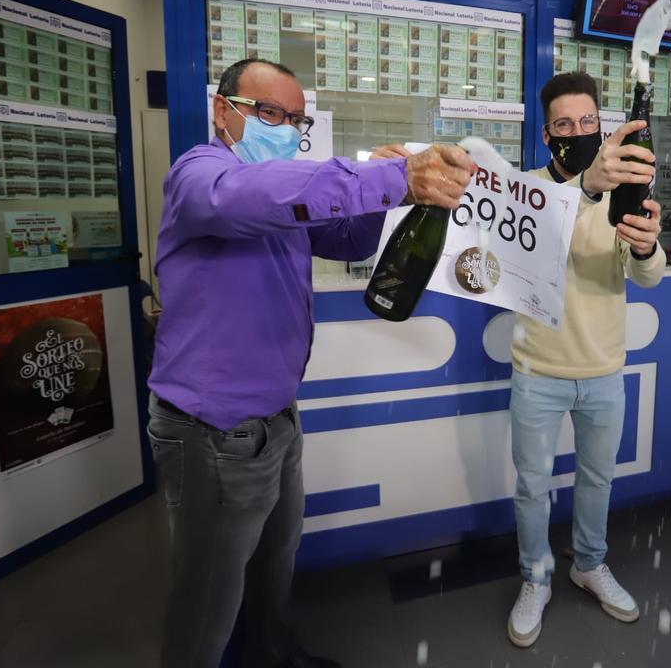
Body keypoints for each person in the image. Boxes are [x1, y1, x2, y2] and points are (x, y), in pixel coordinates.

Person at [147, 58, 474, 668]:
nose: (285, 128)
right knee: (207, 599)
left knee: (275, 564)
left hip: (278, 419)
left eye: (295, 120)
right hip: (211, 430)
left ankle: (273, 654)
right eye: (269, 112)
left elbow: (345, 239)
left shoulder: (278, 193)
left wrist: (381, 193)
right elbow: (249, 198)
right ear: (223, 111)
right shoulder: (200, 176)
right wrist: (392, 177)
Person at [506, 72, 665, 647]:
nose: (579, 131)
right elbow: (536, 246)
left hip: (603, 372)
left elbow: (647, 276)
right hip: (537, 372)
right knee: (533, 486)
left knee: (597, 479)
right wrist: (588, 189)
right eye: (565, 124)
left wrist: (647, 246)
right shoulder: (524, 189)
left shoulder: (624, 186)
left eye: (588, 121)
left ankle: (589, 564)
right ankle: (535, 578)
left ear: (602, 125)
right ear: (547, 135)